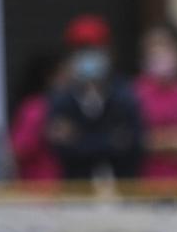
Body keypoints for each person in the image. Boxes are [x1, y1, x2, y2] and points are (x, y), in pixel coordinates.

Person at [46, 14, 145, 182]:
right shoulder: (60, 100)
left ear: (109, 52)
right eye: (82, 50)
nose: (88, 57)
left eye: (95, 50)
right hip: (76, 191)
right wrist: (110, 139)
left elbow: (134, 143)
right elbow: (60, 148)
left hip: (124, 190)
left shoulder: (126, 97)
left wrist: (80, 138)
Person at [135, 20, 177, 181]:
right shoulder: (134, 94)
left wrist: (158, 140)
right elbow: (133, 141)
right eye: (153, 46)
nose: (159, 51)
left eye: (166, 45)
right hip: (143, 187)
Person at [9, 51, 67, 185]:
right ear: (50, 76)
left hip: (69, 186)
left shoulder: (72, 105)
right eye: (65, 73)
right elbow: (19, 150)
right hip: (39, 188)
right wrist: (46, 133)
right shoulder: (36, 108)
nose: (71, 78)